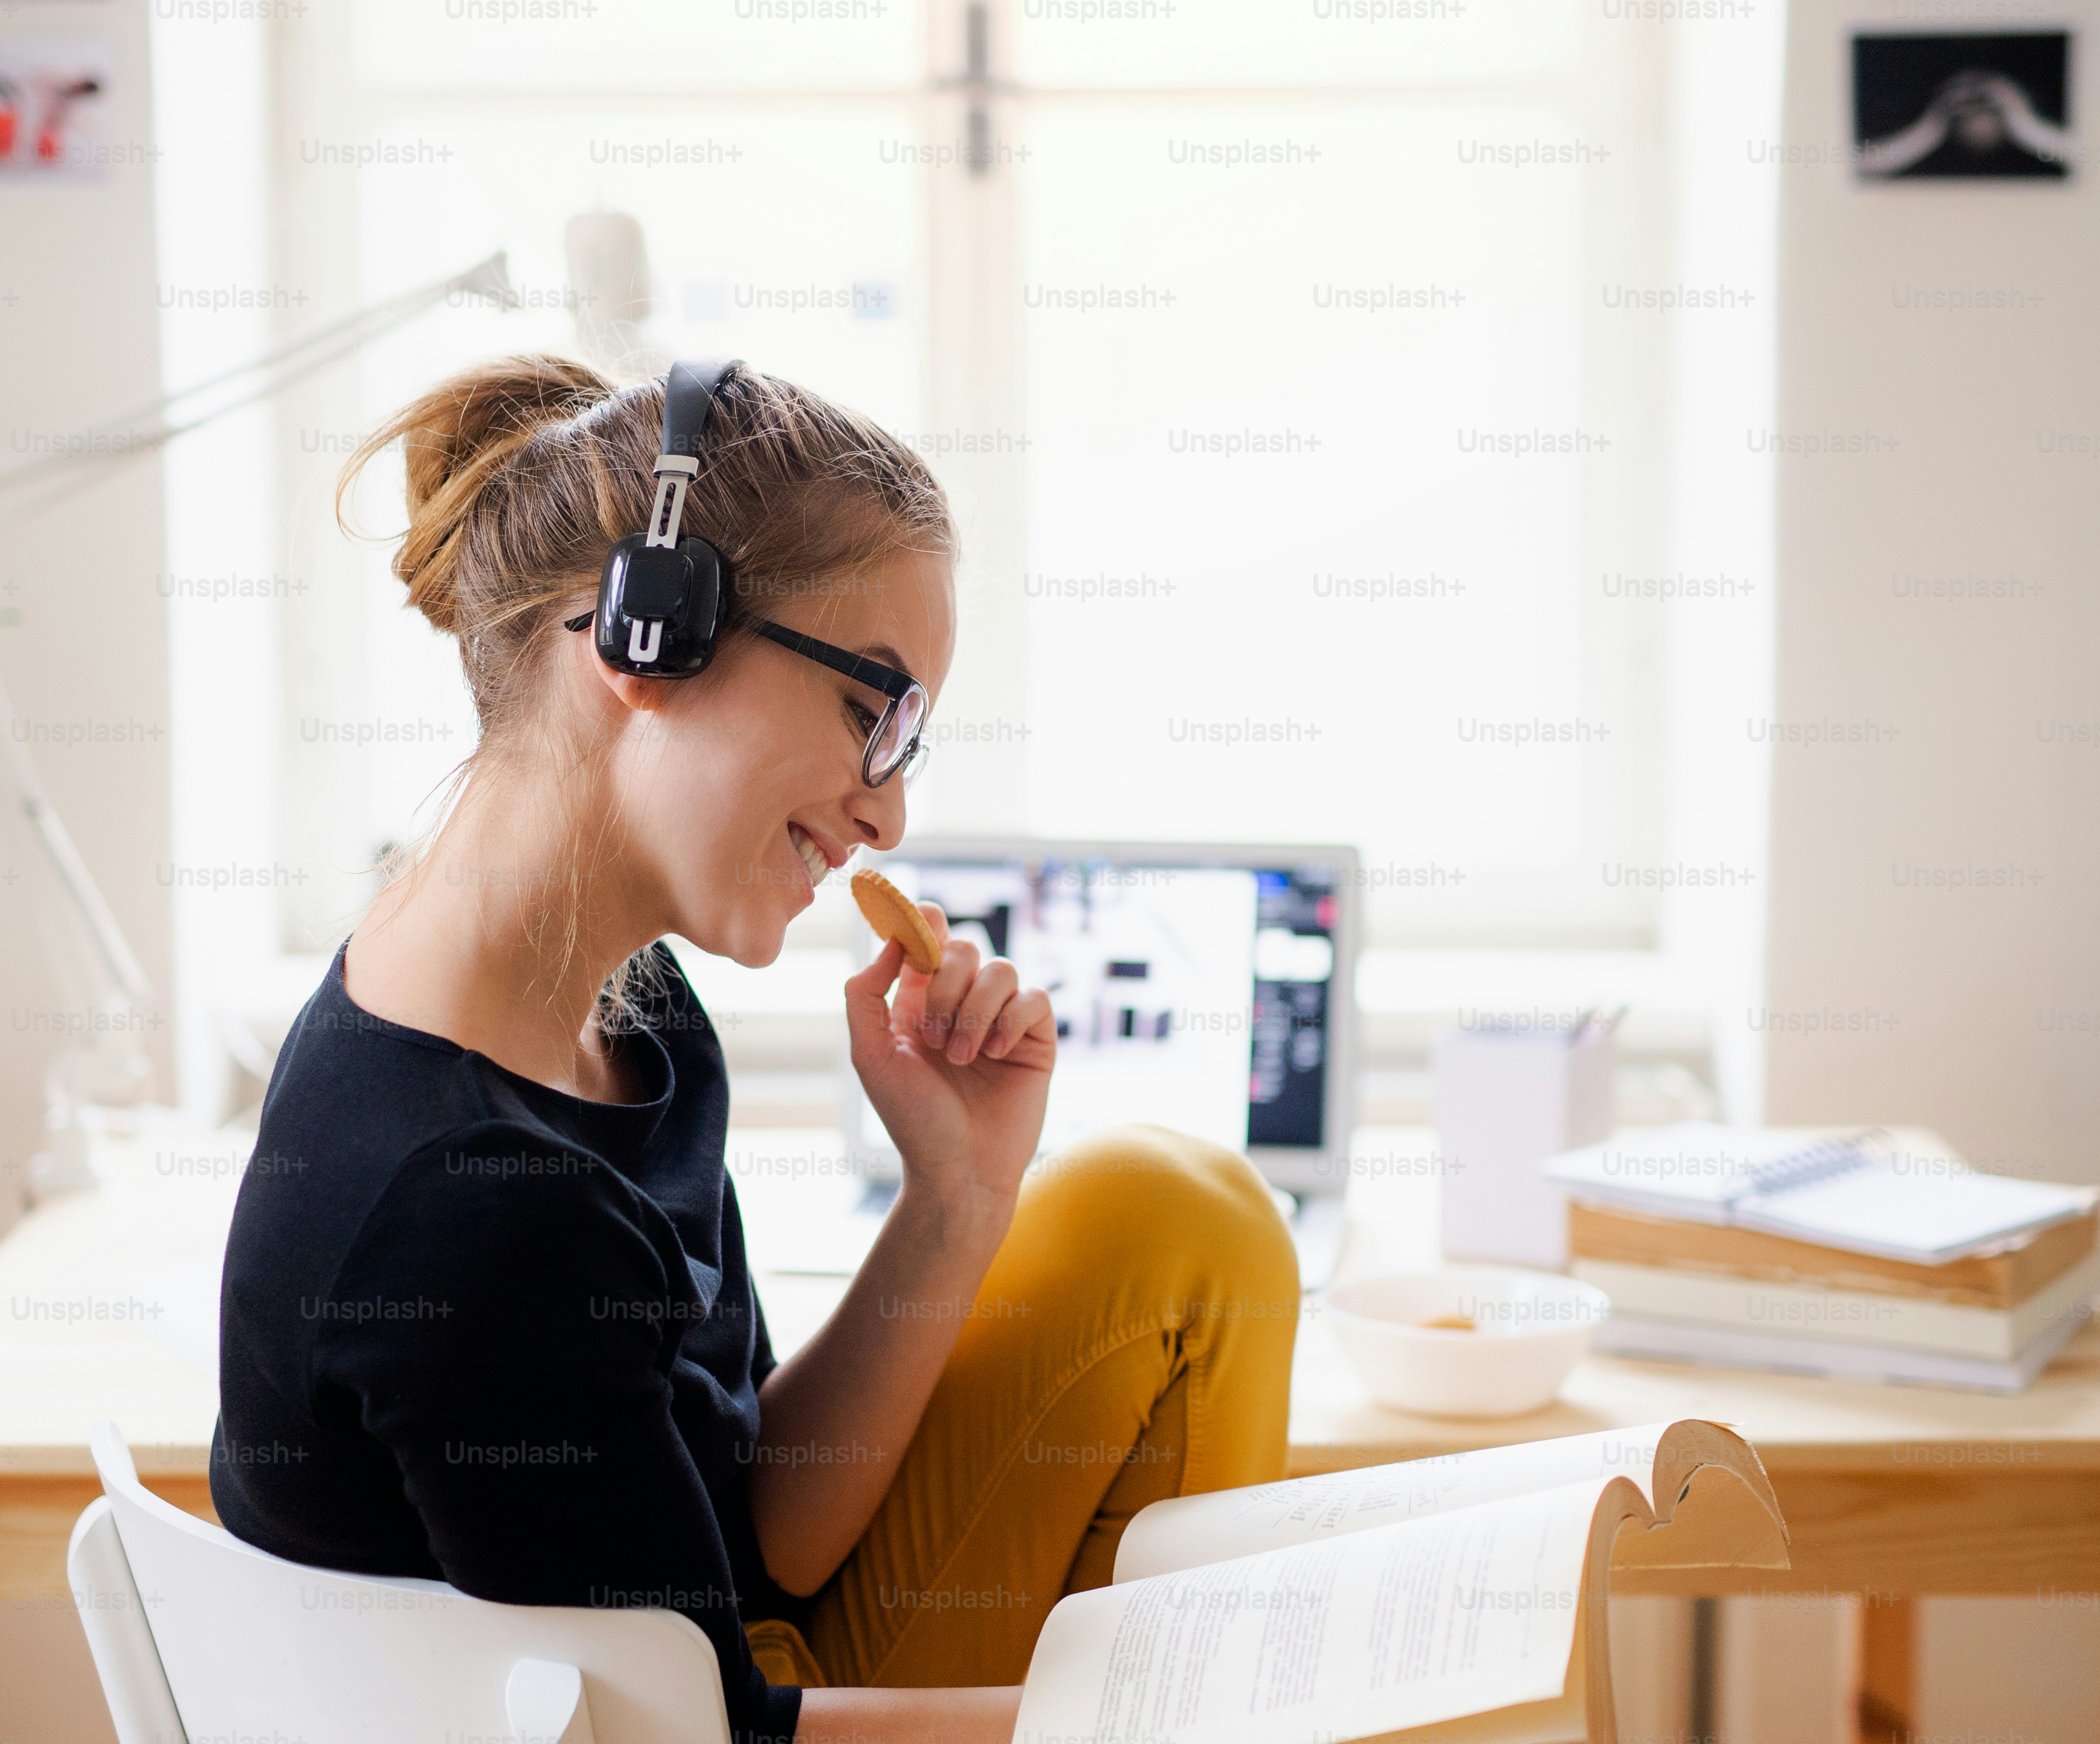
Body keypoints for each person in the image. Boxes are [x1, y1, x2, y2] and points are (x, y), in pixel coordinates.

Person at [210, 354, 1298, 1744]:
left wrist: (955, 1196)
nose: (889, 816)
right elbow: (703, 1736)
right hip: (705, 1729)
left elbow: (753, 1529)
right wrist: (1169, 1721)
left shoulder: (619, 1007)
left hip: (718, 1663)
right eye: (876, 712)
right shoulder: (478, 1213)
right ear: (642, 639)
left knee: (1172, 1212)